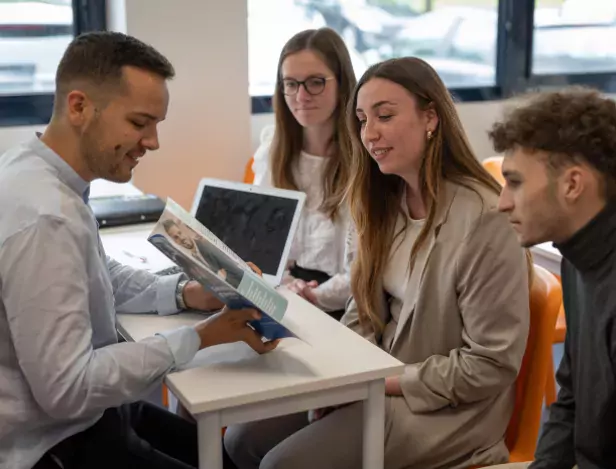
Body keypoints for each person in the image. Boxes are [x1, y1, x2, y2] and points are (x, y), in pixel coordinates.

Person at [224, 57, 530, 469]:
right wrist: (343, 378)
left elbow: (490, 365)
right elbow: (362, 312)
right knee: (242, 438)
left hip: (446, 410)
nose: (369, 134)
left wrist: (376, 384)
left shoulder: (484, 219)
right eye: (362, 119)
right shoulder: (384, 201)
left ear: (431, 118)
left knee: (283, 464)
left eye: (384, 116)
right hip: (379, 380)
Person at [0, 31, 277, 469]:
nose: (153, 142)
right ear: (79, 108)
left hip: (88, 419)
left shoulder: (35, 172)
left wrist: (187, 293)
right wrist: (200, 337)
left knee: (226, 458)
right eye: (139, 122)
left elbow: (97, 274)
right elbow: (68, 389)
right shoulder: (46, 217)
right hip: (52, 445)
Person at [487, 87, 616, 469]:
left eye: (516, 182)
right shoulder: (577, 260)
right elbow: (572, 398)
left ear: (573, 185)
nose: (502, 202)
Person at [251, 28, 356, 317]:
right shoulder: (274, 149)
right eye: (291, 84)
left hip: (348, 304)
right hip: (286, 294)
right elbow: (263, 246)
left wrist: (315, 296)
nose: (301, 96)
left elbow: (369, 268)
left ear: (342, 83)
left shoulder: (366, 156)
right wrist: (289, 285)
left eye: (315, 83)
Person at [162, 218, 244, 288]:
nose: (181, 238)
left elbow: (237, 271)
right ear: (174, 241)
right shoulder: (186, 260)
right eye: (176, 237)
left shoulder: (206, 245)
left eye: (180, 233)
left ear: (184, 230)